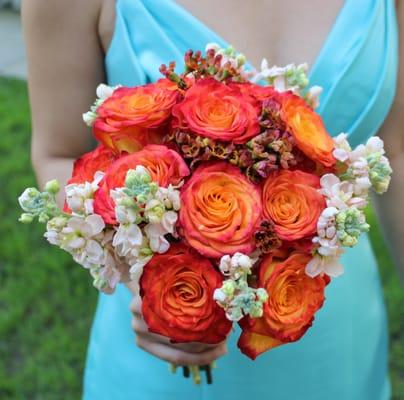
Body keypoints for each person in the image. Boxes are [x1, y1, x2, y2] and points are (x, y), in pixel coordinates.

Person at [21, 0, 403, 399]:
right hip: (166, 335)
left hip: (338, 333)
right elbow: (58, 155)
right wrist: (153, 278)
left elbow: (395, 152)